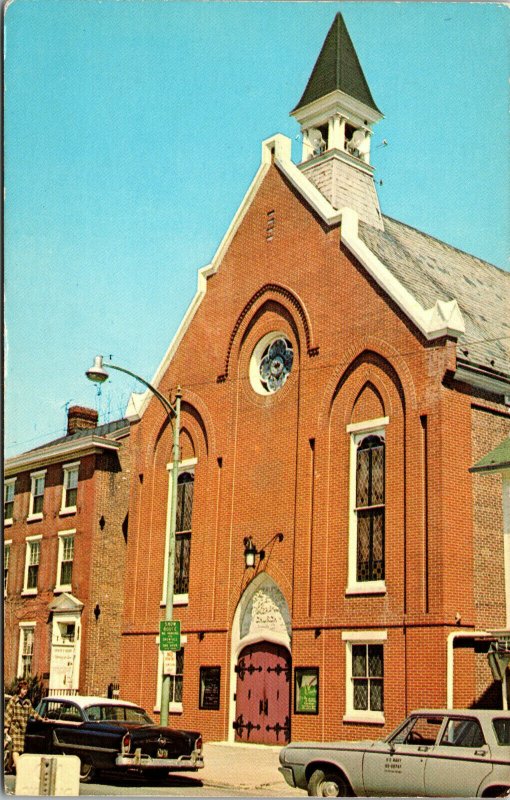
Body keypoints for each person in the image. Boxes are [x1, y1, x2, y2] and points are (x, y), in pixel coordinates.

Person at [4, 680, 45, 772]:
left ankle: (9, 767)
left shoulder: (27, 702)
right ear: (19, 689)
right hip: (14, 729)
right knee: (15, 750)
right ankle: (19, 770)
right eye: (23, 689)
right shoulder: (13, 700)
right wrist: (6, 727)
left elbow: (33, 712)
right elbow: (8, 714)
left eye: (26, 689)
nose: (25, 691)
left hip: (22, 729)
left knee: (15, 749)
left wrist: (41, 718)